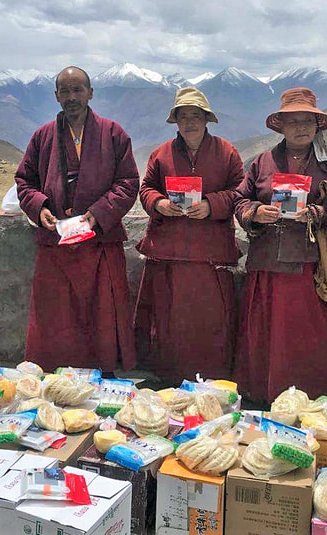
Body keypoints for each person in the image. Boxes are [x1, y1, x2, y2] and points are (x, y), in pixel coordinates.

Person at [234, 87, 327, 403]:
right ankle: (264, 399)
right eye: (293, 121)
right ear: (281, 126)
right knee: (267, 339)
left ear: (318, 125)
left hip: (311, 269)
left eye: (308, 121)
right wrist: (255, 213)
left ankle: (312, 401)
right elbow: (239, 200)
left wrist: (318, 213)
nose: (301, 128)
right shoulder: (263, 162)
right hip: (268, 266)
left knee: (308, 342)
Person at [15, 66, 139, 373]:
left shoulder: (113, 133)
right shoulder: (42, 136)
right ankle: (56, 375)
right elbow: (24, 180)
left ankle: (103, 372)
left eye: (78, 90)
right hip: (56, 241)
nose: (72, 98)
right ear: (56, 96)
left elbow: (128, 182)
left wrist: (98, 213)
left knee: (102, 313)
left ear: (90, 93)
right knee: (57, 315)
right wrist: (39, 206)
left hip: (99, 241)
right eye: (65, 91)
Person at [134, 87, 244, 383]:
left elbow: (241, 192)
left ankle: (212, 380)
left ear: (207, 119)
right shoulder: (161, 155)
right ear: (176, 121)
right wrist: (159, 203)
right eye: (184, 116)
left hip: (210, 254)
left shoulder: (226, 152)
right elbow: (146, 189)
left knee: (210, 322)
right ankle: (168, 379)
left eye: (196, 116)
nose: (190, 122)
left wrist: (212, 205)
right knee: (169, 322)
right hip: (168, 254)